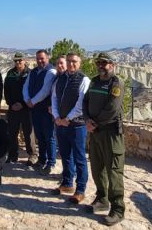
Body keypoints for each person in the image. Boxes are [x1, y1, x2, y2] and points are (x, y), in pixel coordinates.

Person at [83, 52, 125, 226]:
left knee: (114, 171)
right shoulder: (94, 81)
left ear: (112, 64)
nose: (101, 65)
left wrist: (95, 123)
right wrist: (87, 120)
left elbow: (112, 109)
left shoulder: (116, 83)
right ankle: (102, 199)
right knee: (97, 166)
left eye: (104, 63)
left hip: (110, 133)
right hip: (95, 132)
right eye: (98, 62)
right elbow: (85, 102)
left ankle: (118, 209)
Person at [51, 53, 91, 204]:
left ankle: (80, 190)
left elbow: (81, 104)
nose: (71, 64)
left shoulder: (84, 80)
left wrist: (66, 119)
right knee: (65, 155)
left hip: (77, 126)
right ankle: (67, 183)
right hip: (61, 124)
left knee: (80, 158)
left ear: (80, 63)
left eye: (74, 61)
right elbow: (54, 98)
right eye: (69, 61)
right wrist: (57, 117)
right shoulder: (60, 79)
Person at [22, 49, 57, 175]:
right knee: (40, 137)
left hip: (45, 110)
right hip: (35, 109)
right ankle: (42, 160)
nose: (40, 61)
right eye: (38, 58)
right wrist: (27, 100)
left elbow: (45, 90)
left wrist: (33, 101)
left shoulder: (51, 71)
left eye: (42, 58)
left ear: (48, 58)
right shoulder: (33, 72)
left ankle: (51, 163)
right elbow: (25, 86)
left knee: (49, 137)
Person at [3, 52, 37, 164]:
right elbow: (6, 90)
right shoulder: (10, 73)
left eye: (20, 60)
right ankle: (13, 155)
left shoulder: (31, 73)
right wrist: (11, 103)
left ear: (25, 60)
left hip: (26, 108)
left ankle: (32, 155)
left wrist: (22, 104)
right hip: (13, 108)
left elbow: (33, 91)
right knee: (12, 132)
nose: (18, 62)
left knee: (29, 133)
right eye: (16, 61)